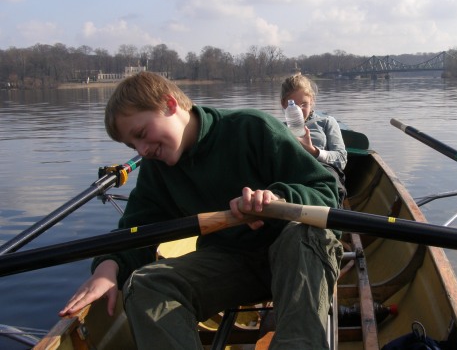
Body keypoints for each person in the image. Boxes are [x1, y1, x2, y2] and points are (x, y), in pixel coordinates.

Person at [58, 71, 343, 349]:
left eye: (142, 134)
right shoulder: (158, 171)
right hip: (234, 264)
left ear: (170, 104)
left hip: (299, 259)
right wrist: (110, 268)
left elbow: (326, 192)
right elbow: (137, 230)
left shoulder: (251, 128)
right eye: (134, 144)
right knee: (145, 285)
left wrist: (279, 199)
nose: (142, 151)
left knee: (304, 234)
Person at [280, 74, 348, 203]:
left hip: (322, 174)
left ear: (311, 101)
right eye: (293, 104)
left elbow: (341, 159)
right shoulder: (279, 128)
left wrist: (313, 151)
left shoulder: (326, 122)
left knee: (328, 186)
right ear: (284, 104)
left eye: (304, 104)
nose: (299, 110)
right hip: (292, 176)